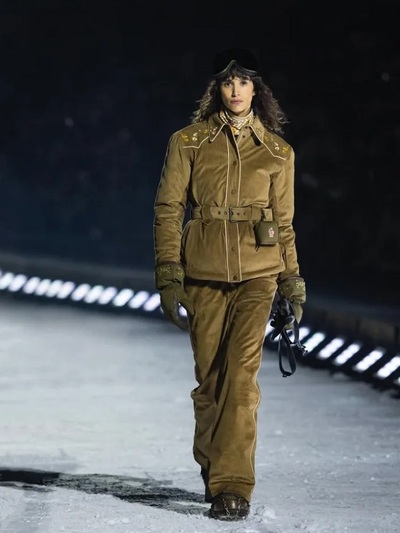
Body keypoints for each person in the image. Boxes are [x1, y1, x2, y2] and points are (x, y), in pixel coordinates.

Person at [153, 47, 306, 521]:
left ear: (257, 90)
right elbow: (168, 209)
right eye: (228, 82)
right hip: (202, 274)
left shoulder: (277, 152)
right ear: (216, 88)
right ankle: (214, 463)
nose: (236, 91)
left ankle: (232, 485)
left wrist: (291, 283)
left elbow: (284, 224)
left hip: (259, 277)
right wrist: (169, 275)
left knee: (240, 380)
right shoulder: (188, 142)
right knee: (211, 382)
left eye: (244, 82)